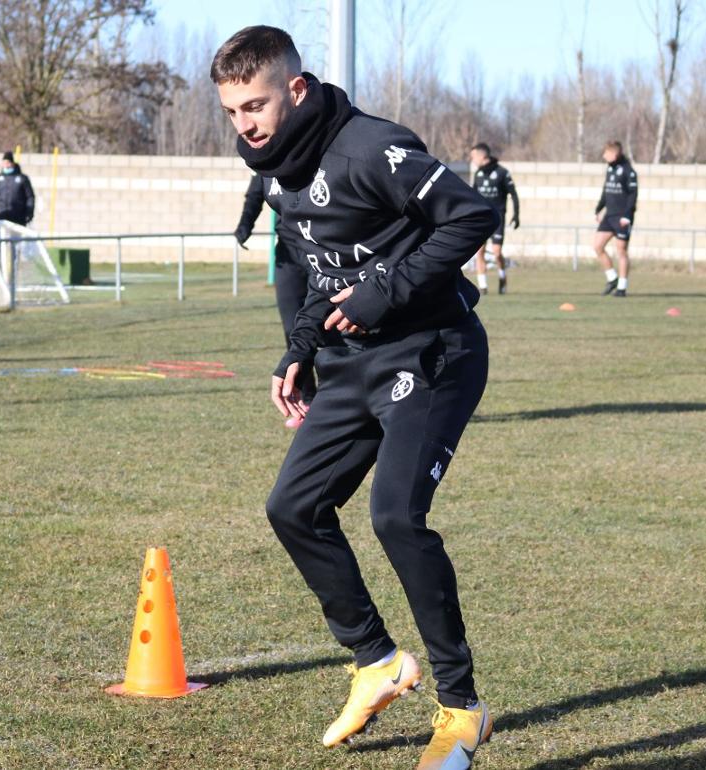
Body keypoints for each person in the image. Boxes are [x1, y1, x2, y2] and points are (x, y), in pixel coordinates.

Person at [213, 26, 497, 769]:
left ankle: (463, 708)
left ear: (295, 90)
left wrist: (385, 290)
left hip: (433, 351)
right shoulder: (273, 168)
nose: (245, 123)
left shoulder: (370, 147)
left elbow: (471, 215)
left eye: (256, 104)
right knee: (293, 507)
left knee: (397, 517)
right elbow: (317, 269)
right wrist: (299, 350)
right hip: (352, 361)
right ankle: (375, 661)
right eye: (233, 111)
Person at [235, 171, 316, 416]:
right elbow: (254, 195)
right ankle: (309, 398)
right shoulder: (270, 162)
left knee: (329, 327)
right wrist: (244, 226)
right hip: (288, 257)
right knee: (292, 328)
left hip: (321, 251)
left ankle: (337, 393)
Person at [467, 143, 519, 295]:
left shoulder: (502, 173)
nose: (472, 159)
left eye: (473, 156)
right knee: (479, 252)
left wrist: (516, 214)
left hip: (498, 218)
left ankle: (502, 276)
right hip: (481, 218)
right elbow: (472, 196)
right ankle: (483, 287)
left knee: (497, 252)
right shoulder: (478, 174)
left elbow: (513, 194)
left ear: (482, 156)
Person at [593, 140, 638, 297]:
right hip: (609, 216)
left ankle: (622, 287)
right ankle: (612, 278)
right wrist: (598, 209)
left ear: (615, 154)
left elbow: (633, 195)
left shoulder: (628, 171)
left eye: (607, 153)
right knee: (597, 246)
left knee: (621, 251)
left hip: (622, 218)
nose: (604, 155)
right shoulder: (610, 169)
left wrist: (627, 216)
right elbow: (606, 190)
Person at [0, 151, 35, 225]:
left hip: (18, 216)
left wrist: (29, 213)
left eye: (8, 163)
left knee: (15, 236)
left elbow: (30, 197)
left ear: (12, 163)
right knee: (0, 236)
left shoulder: (22, 178)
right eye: (4, 163)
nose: (6, 165)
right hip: (2, 215)